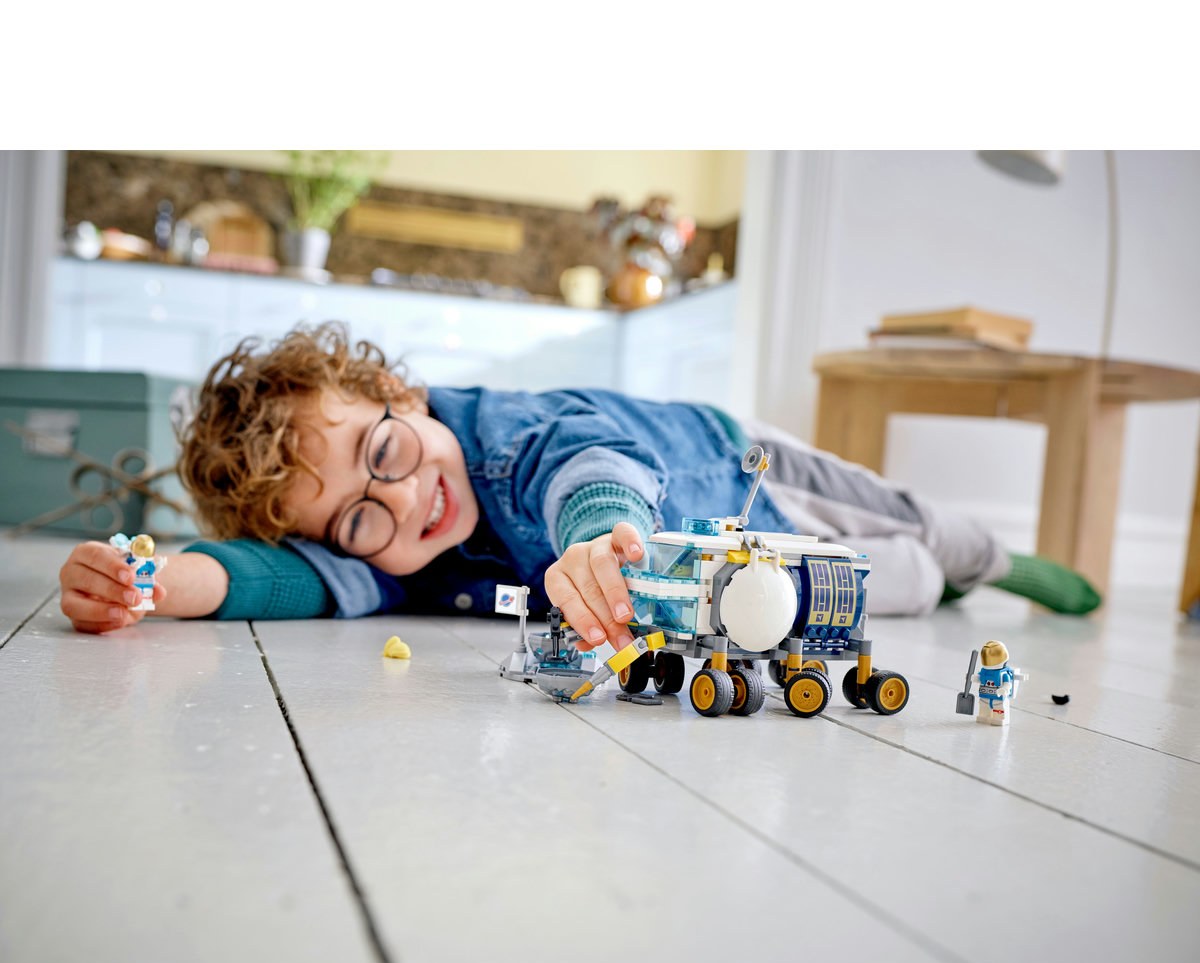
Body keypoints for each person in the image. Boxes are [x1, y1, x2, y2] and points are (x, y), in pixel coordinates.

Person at [58, 323, 1101, 646]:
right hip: (727, 567)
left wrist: (596, 539)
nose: (403, 501)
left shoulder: (502, 439)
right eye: (359, 520)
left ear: (397, 394)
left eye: (387, 453)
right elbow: (277, 579)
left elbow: (587, 467)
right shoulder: (387, 560)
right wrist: (156, 585)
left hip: (738, 467)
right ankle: (940, 577)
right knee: (880, 586)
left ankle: (1001, 561)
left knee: (918, 520)